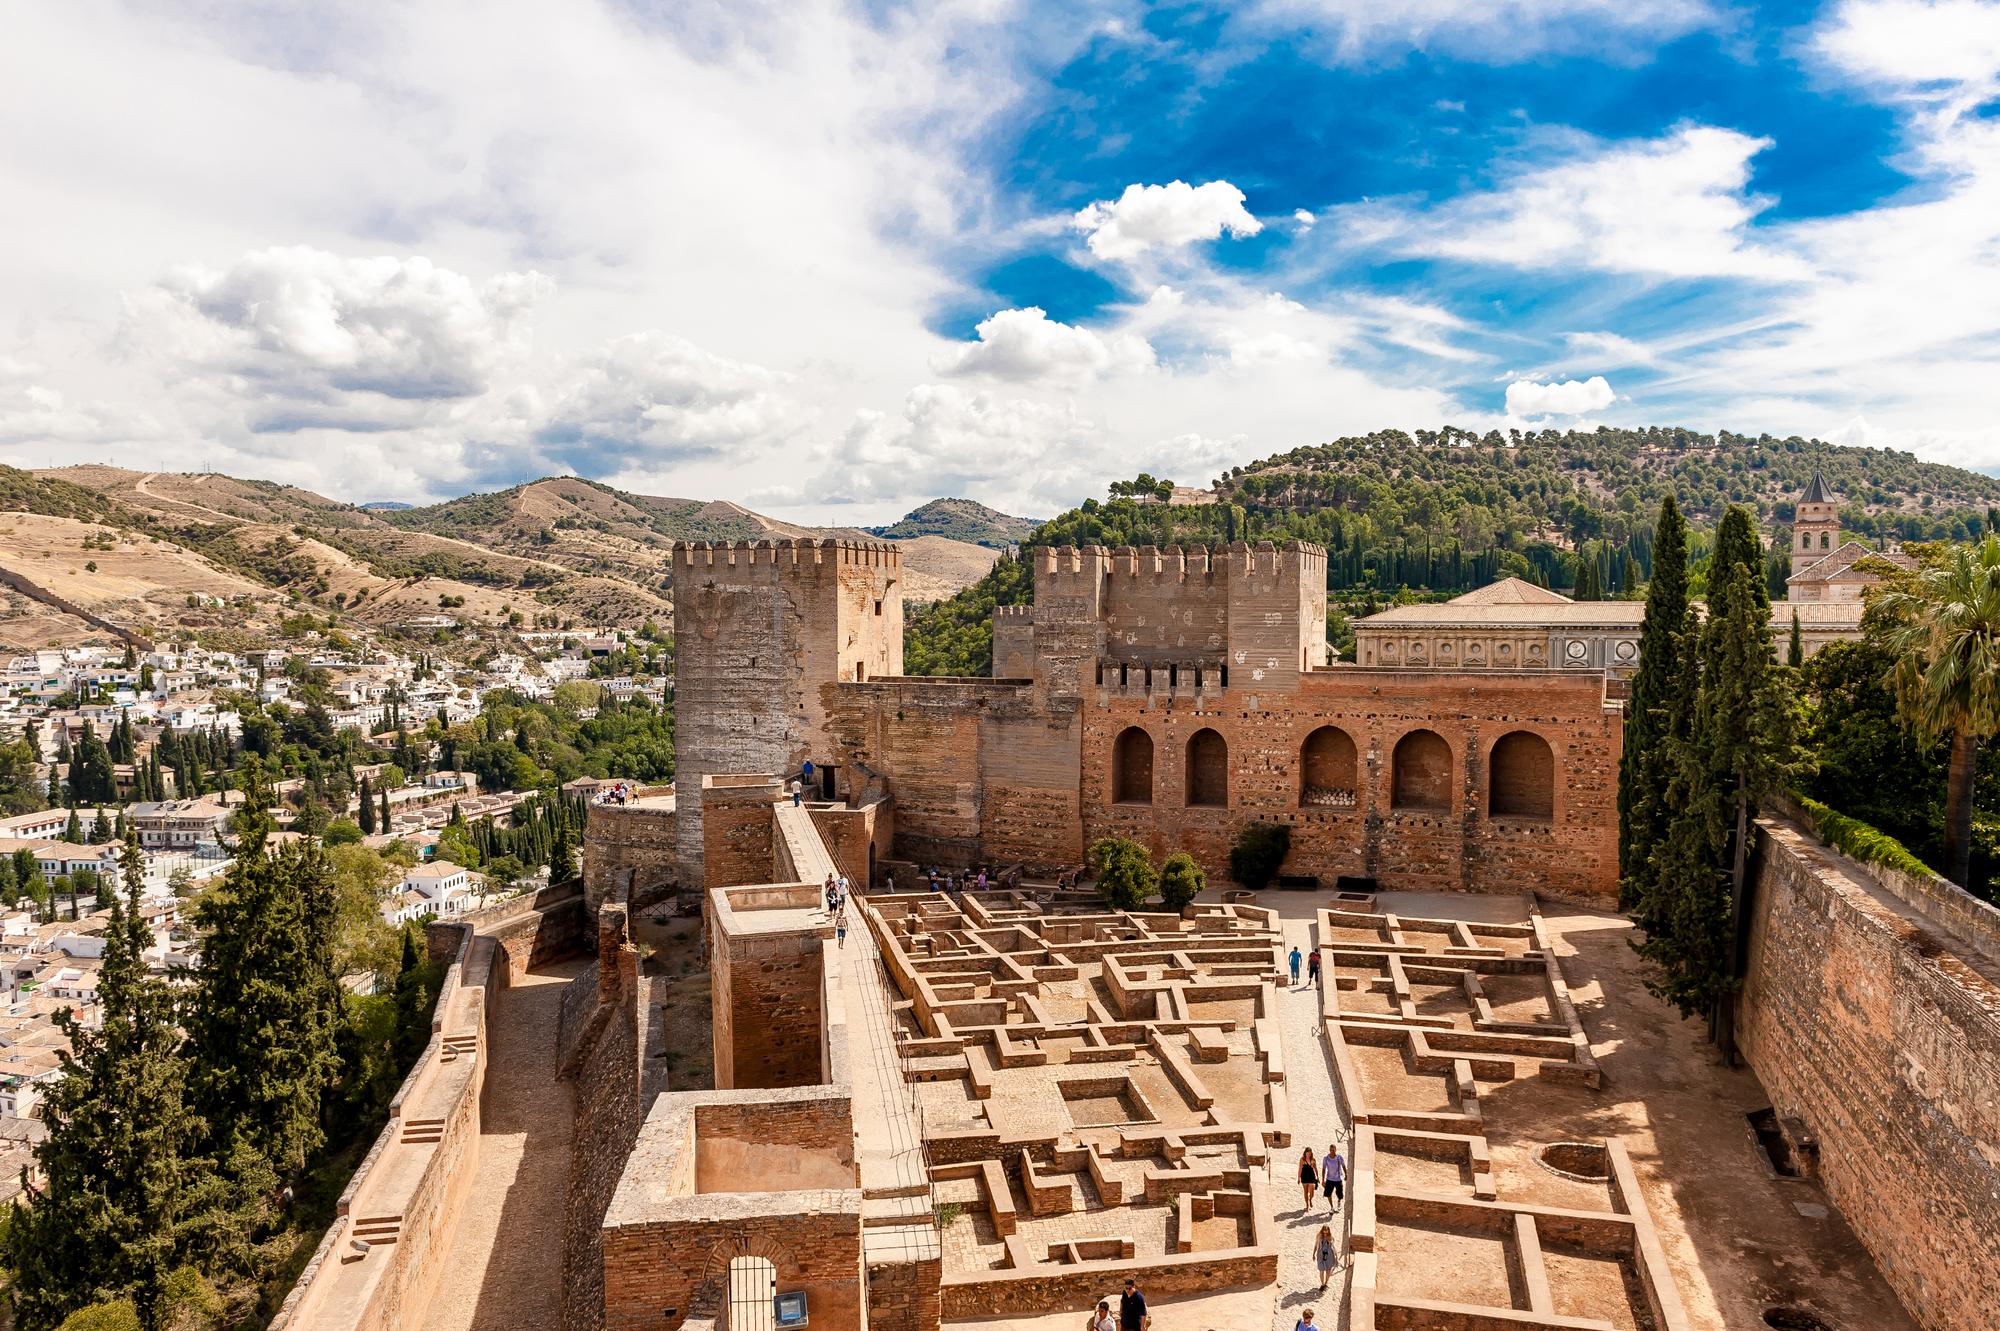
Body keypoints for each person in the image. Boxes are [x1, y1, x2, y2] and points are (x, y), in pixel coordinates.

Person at [1314, 1225, 1338, 1289]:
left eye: (1326, 1232)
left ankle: (1326, 1283)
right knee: (1321, 1271)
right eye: (1324, 1232)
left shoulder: (1331, 1237)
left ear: (1328, 1231)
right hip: (1320, 1256)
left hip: (1329, 1256)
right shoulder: (1319, 1236)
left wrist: (1336, 1256)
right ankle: (1322, 1284)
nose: (1325, 1234)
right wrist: (1313, 1254)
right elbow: (1316, 1245)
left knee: (1328, 1272)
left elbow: (1333, 1248)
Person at [1320, 1146, 1339, 1210]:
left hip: (1337, 1179)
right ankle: (1332, 1207)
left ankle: (1338, 1204)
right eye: (1331, 1150)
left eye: (1333, 1150)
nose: (1332, 1151)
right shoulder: (1326, 1158)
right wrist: (1323, 1180)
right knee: (1329, 1194)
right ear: (1329, 1150)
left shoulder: (1338, 1158)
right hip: (1329, 1179)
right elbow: (1324, 1169)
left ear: (1336, 1150)